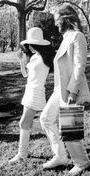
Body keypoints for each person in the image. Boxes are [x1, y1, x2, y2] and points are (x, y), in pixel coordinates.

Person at [39, 4, 90, 176]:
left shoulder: (78, 36)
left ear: (65, 19)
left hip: (70, 90)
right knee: (46, 119)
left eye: (56, 20)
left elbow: (79, 66)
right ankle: (61, 155)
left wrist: (74, 91)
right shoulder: (66, 38)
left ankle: (81, 163)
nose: (55, 24)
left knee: (70, 128)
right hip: (59, 90)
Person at [8, 27, 55, 163]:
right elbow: (26, 75)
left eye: (30, 44)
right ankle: (56, 134)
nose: (28, 47)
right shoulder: (35, 57)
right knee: (32, 123)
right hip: (29, 91)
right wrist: (22, 60)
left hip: (36, 92)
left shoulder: (45, 59)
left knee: (23, 123)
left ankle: (22, 154)